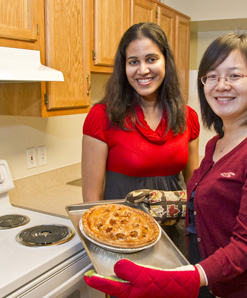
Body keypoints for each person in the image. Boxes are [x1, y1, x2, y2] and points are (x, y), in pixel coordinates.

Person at [84, 32, 247, 298]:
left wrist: (185, 279)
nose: (221, 85)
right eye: (212, 76)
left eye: (234, 76)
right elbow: (202, 200)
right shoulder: (216, 145)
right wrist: (166, 202)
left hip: (237, 288)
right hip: (202, 275)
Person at [81, 22, 200, 254]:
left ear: (166, 61)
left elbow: (194, 190)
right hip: (121, 238)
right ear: (123, 67)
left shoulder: (188, 117)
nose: (142, 70)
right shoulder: (102, 116)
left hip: (175, 238)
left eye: (151, 59)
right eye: (133, 61)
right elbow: (91, 201)